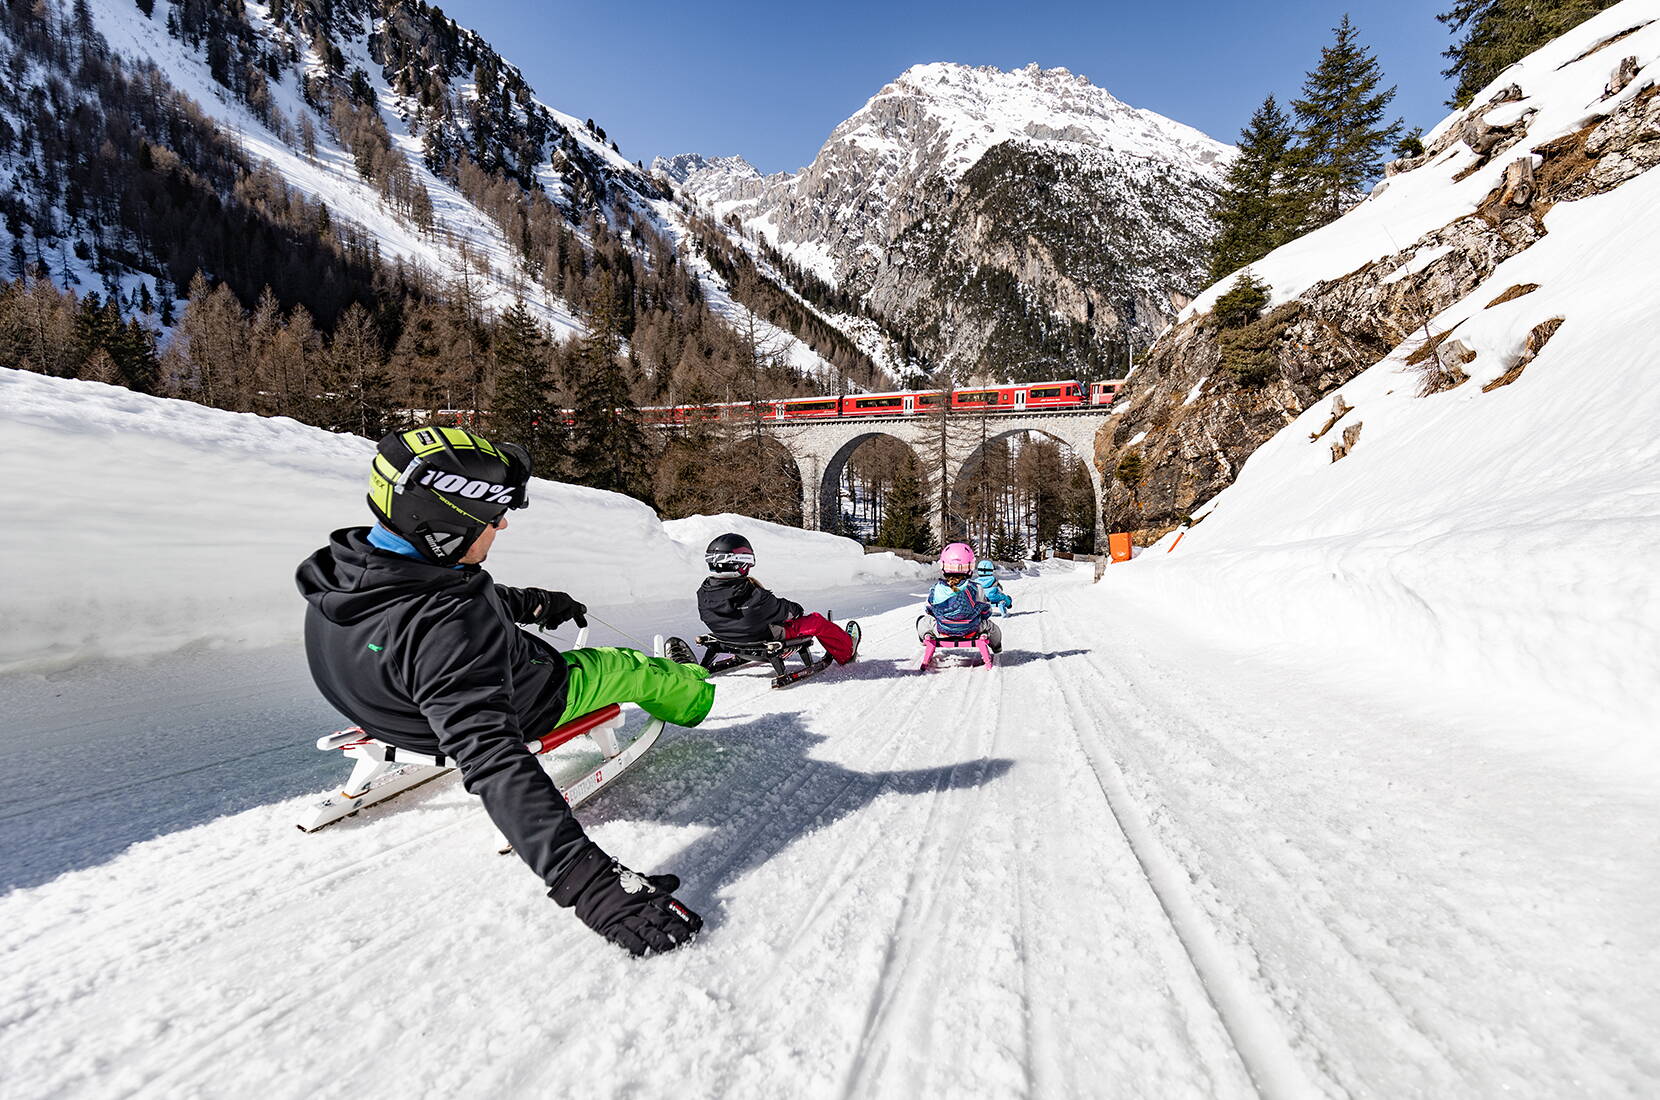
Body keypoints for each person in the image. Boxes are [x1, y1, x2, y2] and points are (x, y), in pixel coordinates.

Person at [296, 426, 712, 957]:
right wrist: (593, 888)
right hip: (536, 695)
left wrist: (535, 603)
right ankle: (697, 691)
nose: (505, 523)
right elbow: (494, 759)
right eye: (493, 518)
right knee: (629, 667)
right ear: (444, 525)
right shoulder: (451, 631)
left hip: (392, 710)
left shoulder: (346, 569)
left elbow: (450, 593)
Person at [695, 532, 858, 664]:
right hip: (763, 639)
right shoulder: (756, 596)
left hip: (728, 638)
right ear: (742, 563)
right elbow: (785, 611)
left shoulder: (702, 593)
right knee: (816, 621)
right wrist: (797, 609)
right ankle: (847, 650)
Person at [916, 542, 1002, 651]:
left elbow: (929, 610)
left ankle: (927, 638)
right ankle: (997, 647)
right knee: (991, 627)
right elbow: (986, 612)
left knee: (922, 621)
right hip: (972, 630)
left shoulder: (936, 588)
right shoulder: (976, 588)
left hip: (942, 630)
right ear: (970, 566)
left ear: (943, 566)